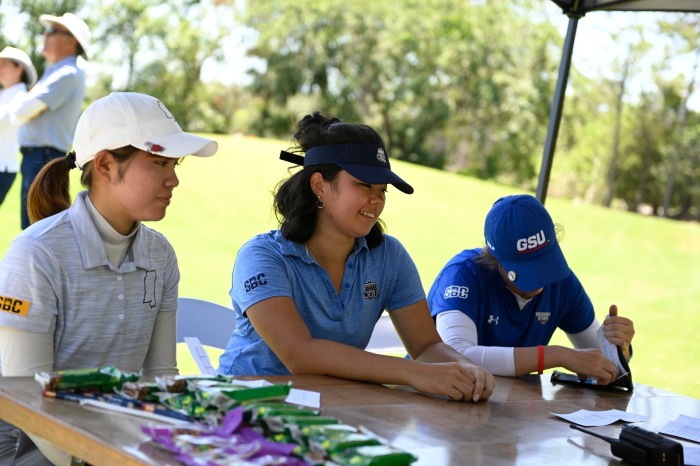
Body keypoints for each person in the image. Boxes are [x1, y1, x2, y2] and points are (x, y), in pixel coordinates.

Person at [0, 92, 218, 465]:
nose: (174, 179)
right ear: (104, 165)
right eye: (159, 162)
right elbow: (26, 398)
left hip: (119, 439)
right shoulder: (35, 254)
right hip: (30, 446)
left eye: (175, 163)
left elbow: (160, 376)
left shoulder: (161, 255)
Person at [218, 112, 495, 403]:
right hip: (240, 409)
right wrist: (413, 372)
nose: (377, 200)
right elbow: (300, 355)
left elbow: (425, 346)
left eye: (382, 190)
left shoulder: (390, 256)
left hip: (329, 410)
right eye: (364, 185)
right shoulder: (262, 256)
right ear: (319, 186)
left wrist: (466, 369)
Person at [427, 194, 635, 384]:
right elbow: (456, 355)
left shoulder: (562, 281)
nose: (540, 279)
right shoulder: (462, 275)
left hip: (508, 409)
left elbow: (600, 365)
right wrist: (556, 355)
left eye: (544, 262)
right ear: (496, 259)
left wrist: (618, 349)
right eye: (525, 269)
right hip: (434, 402)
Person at [9, 12, 90, 229]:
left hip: (42, 157)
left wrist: (22, 101)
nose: (45, 35)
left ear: (71, 41)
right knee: (37, 228)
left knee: (36, 229)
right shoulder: (58, 72)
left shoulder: (66, 73)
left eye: (52, 31)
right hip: (39, 157)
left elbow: (22, 111)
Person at [0, 47, 37, 207]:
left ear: (19, 68)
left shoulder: (22, 97)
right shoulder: (4, 94)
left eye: (3, 64)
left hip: (3, 167)